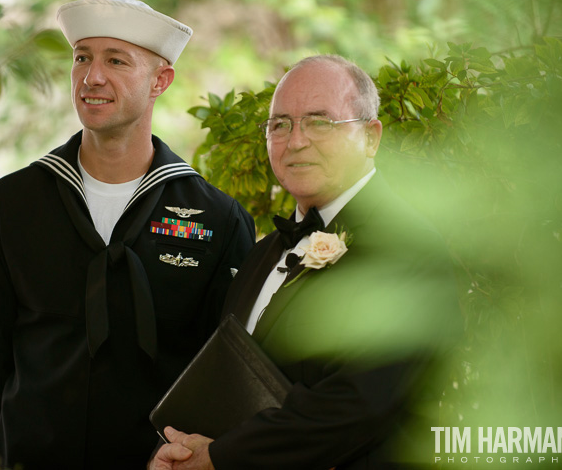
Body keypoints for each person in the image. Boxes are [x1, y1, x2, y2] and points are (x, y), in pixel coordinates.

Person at [0, 0, 255, 469]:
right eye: (82, 57)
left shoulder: (217, 219)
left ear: (160, 81)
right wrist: (27, 434)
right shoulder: (10, 205)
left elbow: (223, 367)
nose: (92, 77)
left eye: (116, 60)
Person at [151, 54, 461, 469]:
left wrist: (221, 457)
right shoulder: (263, 253)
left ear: (371, 137)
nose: (295, 141)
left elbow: (358, 405)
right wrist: (185, 449)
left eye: (319, 121)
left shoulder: (408, 248)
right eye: (280, 124)